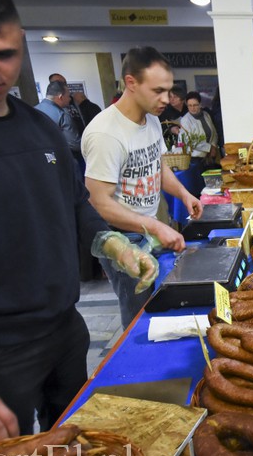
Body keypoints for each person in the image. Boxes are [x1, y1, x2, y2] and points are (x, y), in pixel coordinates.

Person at [0, 0, 158, 450]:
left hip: (63, 326)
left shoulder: (38, 129)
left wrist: (113, 243)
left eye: (3, 54)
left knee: (74, 453)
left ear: (19, 42)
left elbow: (75, 204)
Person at [82, 47, 203, 329]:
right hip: (122, 240)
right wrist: (154, 226)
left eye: (169, 91)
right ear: (131, 82)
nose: (167, 99)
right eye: (158, 90)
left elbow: (159, 168)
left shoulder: (150, 119)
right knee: (139, 315)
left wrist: (184, 194)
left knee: (158, 301)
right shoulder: (105, 134)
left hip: (148, 228)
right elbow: (98, 202)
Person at [35, 80, 82, 167]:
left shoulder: (33, 110)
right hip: (62, 161)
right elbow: (74, 144)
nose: (70, 99)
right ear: (60, 97)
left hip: (40, 161)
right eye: (68, 96)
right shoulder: (62, 114)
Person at [180, 91, 220, 167]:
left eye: (195, 105)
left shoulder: (206, 115)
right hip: (195, 158)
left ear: (200, 104)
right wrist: (209, 148)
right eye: (189, 105)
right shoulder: (185, 120)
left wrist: (213, 146)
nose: (192, 108)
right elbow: (189, 141)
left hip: (210, 157)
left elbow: (214, 132)